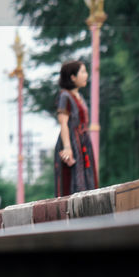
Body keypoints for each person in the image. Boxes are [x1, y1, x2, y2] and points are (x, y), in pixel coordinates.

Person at [55, 60, 98, 196]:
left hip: (83, 142)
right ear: (73, 77)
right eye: (83, 72)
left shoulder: (79, 97)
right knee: (73, 181)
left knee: (88, 178)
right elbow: (63, 123)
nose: (86, 75)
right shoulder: (65, 96)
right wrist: (68, 148)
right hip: (72, 142)